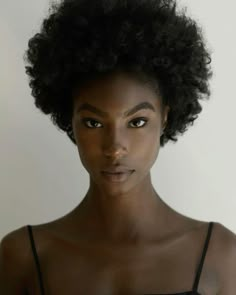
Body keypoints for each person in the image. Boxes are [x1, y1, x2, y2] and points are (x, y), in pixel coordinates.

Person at [0, 0, 235, 294]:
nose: (114, 148)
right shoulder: (23, 257)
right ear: (68, 119)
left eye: (136, 122)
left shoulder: (221, 254)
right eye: (93, 123)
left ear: (165, 117)